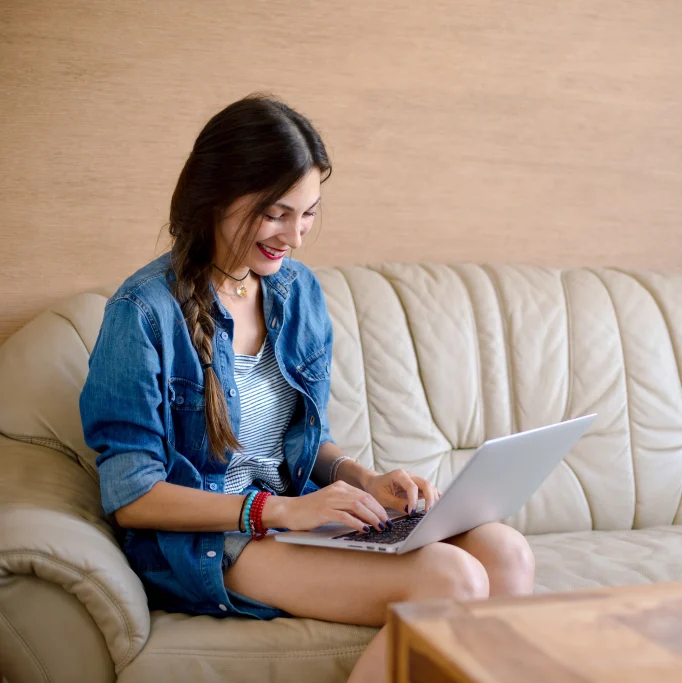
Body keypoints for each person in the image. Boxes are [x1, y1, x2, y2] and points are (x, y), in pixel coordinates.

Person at [79, 94, 535, 683]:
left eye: (310, 213)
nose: (294, 235)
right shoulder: (143, 312)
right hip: (209, 543)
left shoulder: (296, 292)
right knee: (452, 577)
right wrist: (278, 511)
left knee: (504, 550)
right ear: (215, 195)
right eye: (276, 213)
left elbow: (295, 441)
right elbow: (132, 494)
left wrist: (363, 480)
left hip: (294, 518)